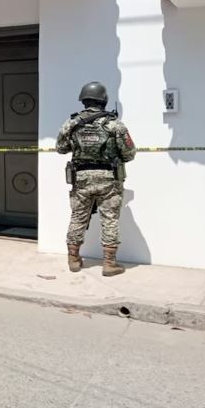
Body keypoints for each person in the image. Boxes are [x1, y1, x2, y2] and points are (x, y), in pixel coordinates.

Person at [56, 82, 136, 276]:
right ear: (104, 100)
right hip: (109, 179)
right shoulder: (114, 124)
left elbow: (61, 148)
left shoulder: (72, 123)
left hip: (81, 178)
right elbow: (129, 153)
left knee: (78, 217)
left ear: (83, 100)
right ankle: (109, 264)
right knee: (110, 220)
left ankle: (73, 259)